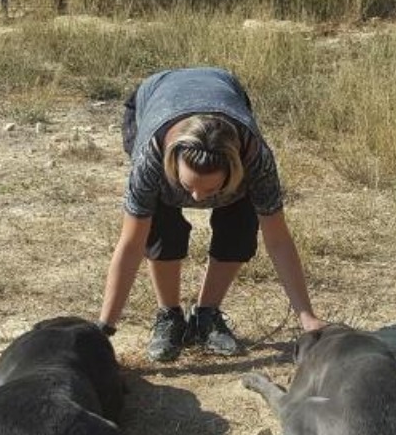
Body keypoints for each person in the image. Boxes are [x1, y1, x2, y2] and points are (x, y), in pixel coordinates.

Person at [96, 66, 325, 361]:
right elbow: (131, 244)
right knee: (162, 227)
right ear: (172, 161)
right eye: (188, 185)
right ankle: (170, 316)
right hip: (156, 98)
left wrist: (307, 317)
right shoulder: (150, 159)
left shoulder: (256, 158)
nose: (197, 198)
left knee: (240, 226)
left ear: (235, 169)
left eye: (211, 190)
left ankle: (207, 316)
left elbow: (278, 239)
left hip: (224, 90)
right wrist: (104, 329)